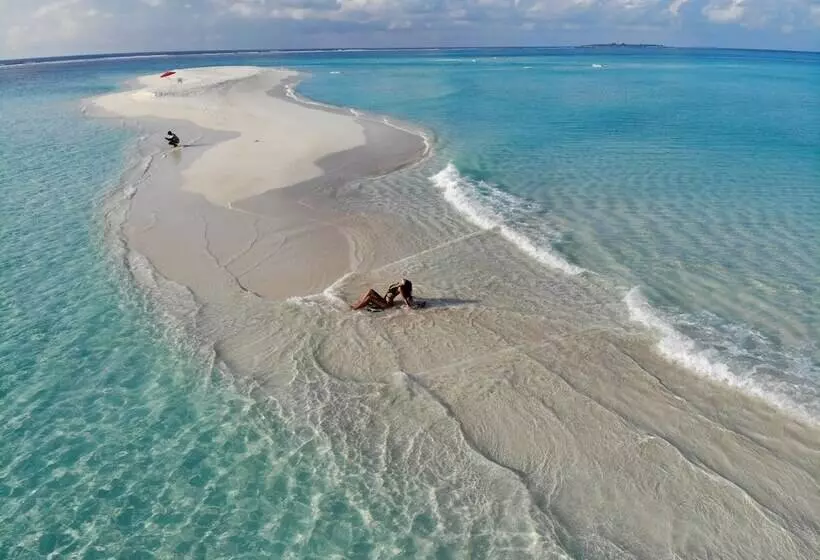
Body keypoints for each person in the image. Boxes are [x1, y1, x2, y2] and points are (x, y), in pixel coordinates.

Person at [351, 278, 416, 310]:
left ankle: (355, 308)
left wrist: (408, 306)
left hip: (387, 305)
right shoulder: (398, 284)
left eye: (404, 281)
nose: (402, 280)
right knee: (371, 290)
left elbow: (404, 298)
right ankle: (360, 302)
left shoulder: (400, 288)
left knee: (369, 298)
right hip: (384, 300)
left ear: (404, 285)